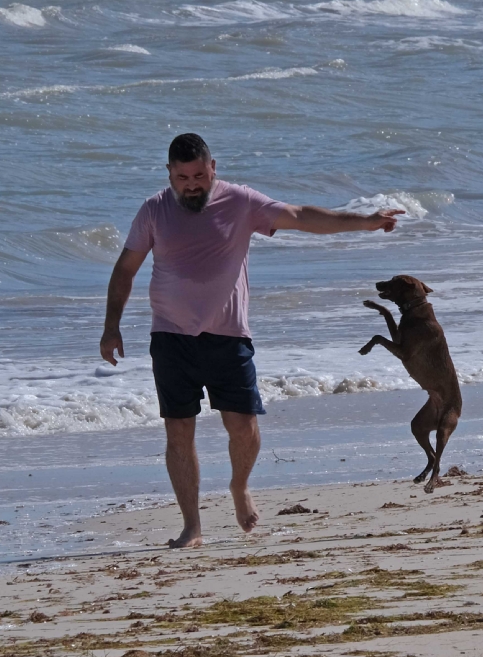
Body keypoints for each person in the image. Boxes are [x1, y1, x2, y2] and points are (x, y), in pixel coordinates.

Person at [100, 133, 402, 548]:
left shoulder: (240, 202)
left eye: (199, 175)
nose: (192, 184)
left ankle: (239, 486)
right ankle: (192, 526)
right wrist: (111, 325)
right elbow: (125, 268)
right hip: (171, 336)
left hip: (228, 336)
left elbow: (299, 215)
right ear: (169, 173)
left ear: (213, 168)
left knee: (243, 427)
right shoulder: (154, 210)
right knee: (178, 432)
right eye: (182, 176)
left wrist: (364, 221)